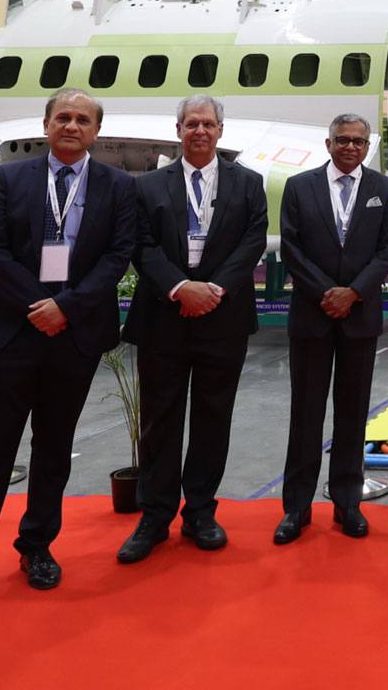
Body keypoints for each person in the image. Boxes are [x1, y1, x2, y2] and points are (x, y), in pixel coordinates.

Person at [0, 89, 138, 619]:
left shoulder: (117, 187)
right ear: (46, 125)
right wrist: (35, 304)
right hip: (10, 332)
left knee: (54, 449)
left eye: (82, 119)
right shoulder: (10, 179)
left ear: (95, 131)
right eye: (62, 116)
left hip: (75, 334)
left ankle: (36, 547)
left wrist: (65, 307)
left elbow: (118, 256)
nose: (71, 125)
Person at [116, 95, 268, 564]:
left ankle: (201, 512)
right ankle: (155, 516)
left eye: (208, 123)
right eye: (191, 124)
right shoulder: (147, 187)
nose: (199, 131)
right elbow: (141, 246)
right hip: (164, 317)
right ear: (178, 129)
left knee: (212, 418)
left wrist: (214, 290)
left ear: (221, 130)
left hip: (223, 319)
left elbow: (252, 242)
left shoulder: (249, 183)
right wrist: (181, 287)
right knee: (160, 420)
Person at [275, 113, 388, 543]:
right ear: (328, 144)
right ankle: (297, 508)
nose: (350, 147)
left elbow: (386, 251)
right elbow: (290, 247)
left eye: (358, 141)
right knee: (305, 415)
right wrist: (328, 292)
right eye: (342, 140)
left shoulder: (383, 189)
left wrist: (354, 293)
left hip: (359, 319)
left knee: (352, 415)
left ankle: (348, 504)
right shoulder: (299, 186)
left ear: (368, 148)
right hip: (313, 315)